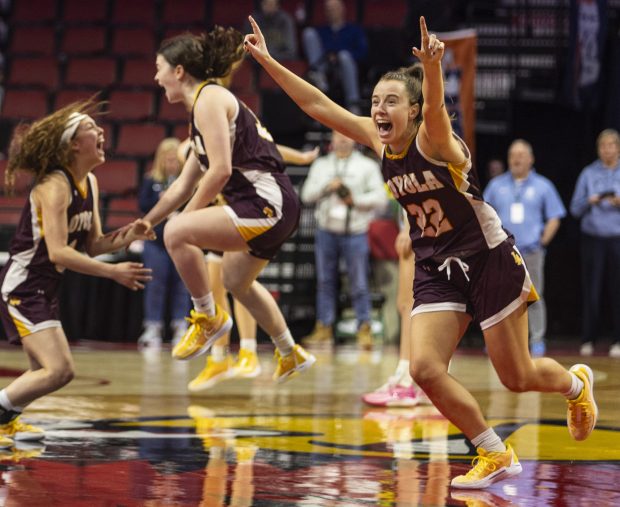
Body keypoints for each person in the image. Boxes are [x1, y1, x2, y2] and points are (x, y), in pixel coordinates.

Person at [244, 15, 598, 488]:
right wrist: (268, 62)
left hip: (486, 258)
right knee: (424, 368)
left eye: (391, 101)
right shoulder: (378, 140)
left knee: (517, 376)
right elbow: (317, 105)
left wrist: (432, 69)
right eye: (374, 102)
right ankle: (494, 452)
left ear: (412, 110)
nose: (378, 110)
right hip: (437, 263)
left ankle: (575, 386)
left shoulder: (435, 140)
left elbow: (436, 112)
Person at [143, 26, 316, 383]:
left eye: (159, 68)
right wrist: (146, 222)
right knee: (237, 280)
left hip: (267, 203)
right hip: (274, 205)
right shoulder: (204, 110)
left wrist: (182, 223)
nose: (156, 77)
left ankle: (208, 317)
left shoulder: (208, 99)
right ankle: (289, 351)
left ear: (179, 71)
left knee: (179, 232)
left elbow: (219, 171)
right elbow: (180, 187)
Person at [0, 99, 153, 448]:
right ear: (72, 143)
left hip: (45, 288)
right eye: (90, 128)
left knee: (41, 371)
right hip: (25, 285)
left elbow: (94, 244)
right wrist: (112, 274)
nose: (100, 132)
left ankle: (6, 422)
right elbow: (58, 252)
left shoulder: (91, 183)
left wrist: (131, 232)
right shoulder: (53, 185)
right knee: (60, 371)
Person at [190, 144, 320, 392]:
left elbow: (271, 148)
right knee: (219, 285)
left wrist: (301, 158)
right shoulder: (195, 144)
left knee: (239, 285)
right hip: (222, 212)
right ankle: (221, 357)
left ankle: (248, 351)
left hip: (244, 213)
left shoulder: (230, 132)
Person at [300, 130, 386, 349]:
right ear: (331, 139)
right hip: (326, 230)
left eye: (346, 135)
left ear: (354, 139)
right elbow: (306, 195)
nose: (342, 140)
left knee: (359, 282)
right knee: (325, 282)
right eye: (338, 136)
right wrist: (327, 187)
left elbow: (381, 200)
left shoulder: (367, 166)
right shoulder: (321, 165)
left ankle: (364, 328)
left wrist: (354, 200)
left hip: (355, 231)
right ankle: (324, 328)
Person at [483, 140, 566, 357]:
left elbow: (555, 216)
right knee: (499, 297)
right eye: (512, 155)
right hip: (502, 253)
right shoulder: (496, 185)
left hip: (531, 250)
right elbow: (482, 213)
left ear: (531, 159)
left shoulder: (543, 186)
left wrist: (543, 241)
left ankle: (537, 339)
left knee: (534, 296)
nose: (516, 159)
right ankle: (498, 340)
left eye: (521, 155)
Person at [362, 217, 431, 407]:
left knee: (411, 303)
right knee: (407, 303)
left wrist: (411, 227)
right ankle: (419, 380)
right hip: (425, 224)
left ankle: (408, 380)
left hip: (427, 226)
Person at [569, 129, 620, 358]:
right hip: (593, 239)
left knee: (617, 290)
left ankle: (618, 340)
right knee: (592, 290)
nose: (607, 150)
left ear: (618, 148)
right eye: (603, 146)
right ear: (598, 149)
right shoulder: (588, 174)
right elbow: (574, 208)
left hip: (617, 239)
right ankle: (589, 338)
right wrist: (590, 201)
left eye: (611, 145)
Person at [137, 137, 191, 350]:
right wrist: (163, 199)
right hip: (156, 241)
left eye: (175, 160)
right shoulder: (151, 180)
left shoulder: (186, 183)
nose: (172, 164)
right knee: (155, 283)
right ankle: (153, 327)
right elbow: (143, 205)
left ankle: (180, 327)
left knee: (182, 284)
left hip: (180, 241)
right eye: (168, 160)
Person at [302, 0, 368, 113]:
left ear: (342, 10)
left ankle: (353, 104)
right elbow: (317, 50)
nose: (331, 12)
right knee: (309, 33)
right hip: (325, 65)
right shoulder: (321, 30)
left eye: (334, 8)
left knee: (344, 56)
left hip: (347, 66)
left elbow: (362, 52)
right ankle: (319, 76)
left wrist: (339, 56)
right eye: (328, 9)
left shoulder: (354, 30)